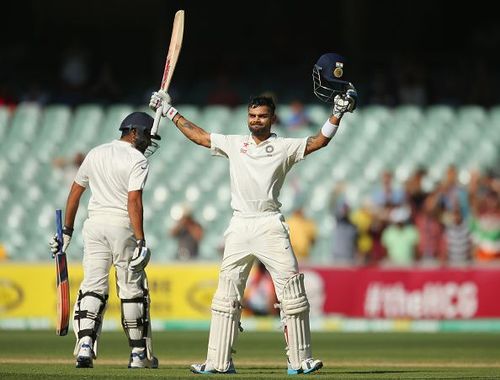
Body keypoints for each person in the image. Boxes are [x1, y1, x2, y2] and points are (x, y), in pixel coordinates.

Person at [149, 52, 356, 375]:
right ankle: (218, 363)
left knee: (292, 291)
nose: (256, 120)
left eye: (261, 116)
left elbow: (318, 142)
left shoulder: (285, 147)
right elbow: (200, 136)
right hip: (239, 225)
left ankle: (299, 361)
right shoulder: (235, 144)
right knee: (225, 296)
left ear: (272, 119)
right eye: (252, 115)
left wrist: (337, 116)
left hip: (270, 224)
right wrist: (169, 110)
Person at [49, 112, 160, 369]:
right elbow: (134, 201)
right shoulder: (137, 160)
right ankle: (137, 355)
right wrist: (141, 240)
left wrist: (67, 230)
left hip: (94, 226)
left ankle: (85, 347)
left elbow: (75, 193)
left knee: (93, 286)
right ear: (133, 132)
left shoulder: (96, 152)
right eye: (145, 136)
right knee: (131, 289)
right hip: (122, 225)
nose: (148, 142)